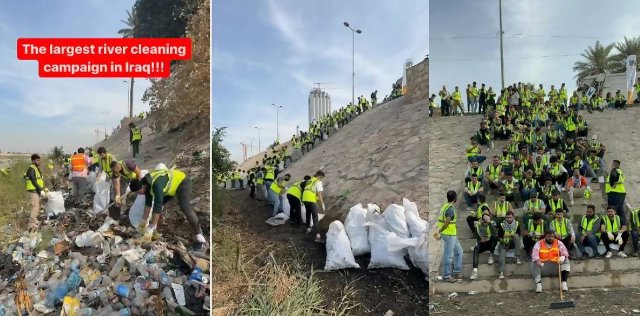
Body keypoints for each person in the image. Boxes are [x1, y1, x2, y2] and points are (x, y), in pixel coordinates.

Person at [128, 167, 208, 251]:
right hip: (170, 187)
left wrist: (149, 228)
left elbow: (157, 207)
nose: (138, 194)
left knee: (184, 207)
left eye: (138, 191)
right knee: (158, 206)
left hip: (182, 182)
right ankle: (154, 231)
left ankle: (200, 236)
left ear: (142, 187)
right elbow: (148, 204)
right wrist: (143, 222)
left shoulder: (156, 185)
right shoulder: (146, 185)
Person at [434, 190, 463, 282]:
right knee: (448, 255)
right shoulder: (450, 209)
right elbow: (447, 222)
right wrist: (440, 230)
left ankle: (457, 272)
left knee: (459, 252)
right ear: (455, 198)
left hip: (452, 234)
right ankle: (446, 276)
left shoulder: (444, 206)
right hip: (449, 235)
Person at [24, 154, 48, 231]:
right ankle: (31, 225)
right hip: (33, 190)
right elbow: (33, 180)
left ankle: (34, 221)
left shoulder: (36, 168)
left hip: (36, 189)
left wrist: (43, 189)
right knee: (35, 207)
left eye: (39, 160)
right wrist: (40, 190)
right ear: (33, 161)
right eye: (37, 160)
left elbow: (39, 180)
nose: (39, 161)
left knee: (37, 206)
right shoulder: (31, 168)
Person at [469, 214, 497, 280]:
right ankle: (475, 271)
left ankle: (491, 256)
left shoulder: (492, 224)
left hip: (491, 243)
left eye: (486, 221)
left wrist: (489, 223)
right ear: (482, 220)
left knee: (494, 238)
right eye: (484, 221)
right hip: (482, 243)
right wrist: (481, 241)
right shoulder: (478, 225)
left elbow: (495, 235)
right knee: (476, 248)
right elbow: (477, 238)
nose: (485, 223)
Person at [497, 211, 523, 279]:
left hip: (512, 243)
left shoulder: (517, 224)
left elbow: (519, 235)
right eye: (507, 217)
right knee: (502, 254)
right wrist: (502, 241)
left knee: (516, 236)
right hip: (504, 243)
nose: (509, 219)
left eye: (510, 217)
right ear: (505, 218)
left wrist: (509, 235)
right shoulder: (502, 224)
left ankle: (517, 257)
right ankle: (501, 272)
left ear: (513, 217)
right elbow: (499, 237)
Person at [302, 171, 325, 242]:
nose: (321, 179)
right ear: (317, 176)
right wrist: (322, 203)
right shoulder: (318, 181)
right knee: (315, 217)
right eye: (320, 177)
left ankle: (307, 229)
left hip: (304, 198)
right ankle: (317, 236)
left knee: (308, 214)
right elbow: (319, 194)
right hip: (310, 199)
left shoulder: (310, 180)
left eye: (322, 178)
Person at [606, 160, 627, 226]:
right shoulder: (620, 171)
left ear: (614, 165)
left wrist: (612, 184)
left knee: (612, 210)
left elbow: (613, 176)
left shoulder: (614, 170)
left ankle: (613, 225)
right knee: (620, 210)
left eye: (611, 164)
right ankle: (624, 225)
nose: (610, 166)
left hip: (615, 193)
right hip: (621, 193)